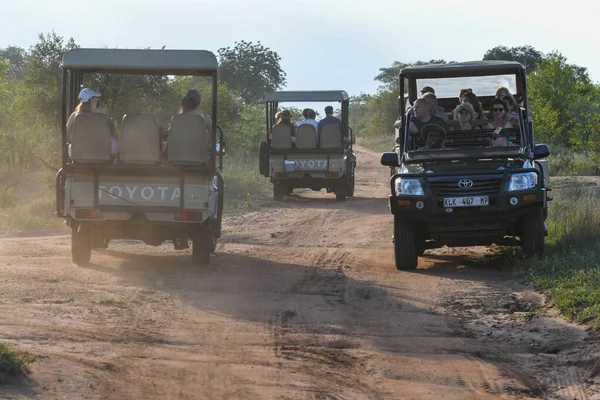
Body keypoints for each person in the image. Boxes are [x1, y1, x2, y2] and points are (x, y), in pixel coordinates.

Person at [66, 88, 119, 160]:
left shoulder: (74, 115)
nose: (97, 101)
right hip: (100, 149)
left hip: (80, 151)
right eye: (95, 99)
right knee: (115, 145)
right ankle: (115, 164)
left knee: (70, 147)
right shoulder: (101, 113)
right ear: (91, 100)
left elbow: (66, 132)